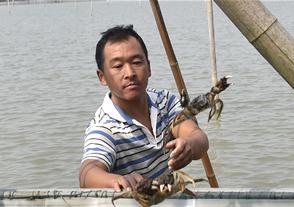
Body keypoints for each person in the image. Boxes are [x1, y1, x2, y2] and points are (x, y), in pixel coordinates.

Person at [79, 25, 208, 192]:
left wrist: (189, 145)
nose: (129, 73)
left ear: (149, 67)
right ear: (102, 77)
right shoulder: (104, 127)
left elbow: (198, 137)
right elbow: (87, 174)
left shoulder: (164, 101)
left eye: (137, 62)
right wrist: (116, 180)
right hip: (129, 204)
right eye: (118, 66)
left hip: (166, 196)